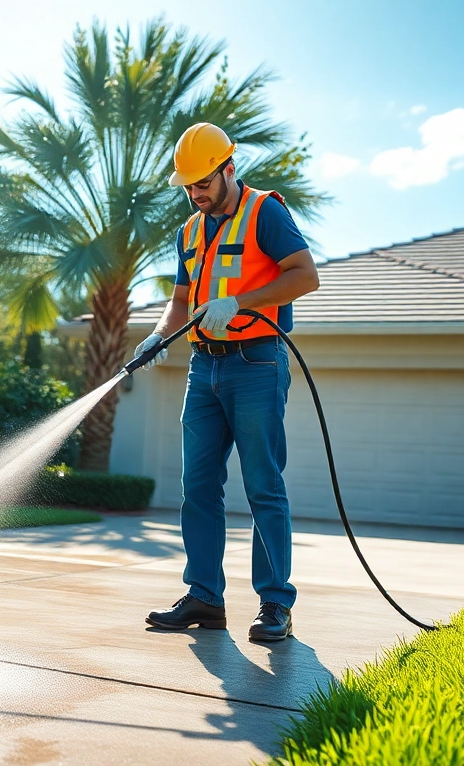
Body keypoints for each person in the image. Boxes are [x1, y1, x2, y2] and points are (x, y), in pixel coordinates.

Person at [139, 122, 319, 642]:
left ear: (228, 169)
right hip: (204, 366)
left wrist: (238, 303)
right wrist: (158, 335)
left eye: (203, 182)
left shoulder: (265, 212)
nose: (195, 193)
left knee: (263, 484)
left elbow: (305, 275)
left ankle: (275, 604)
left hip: (257, 361)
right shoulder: (189, 232)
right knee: (197, 485)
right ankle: (204, 597)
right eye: (188, 185)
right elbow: (180, 301)